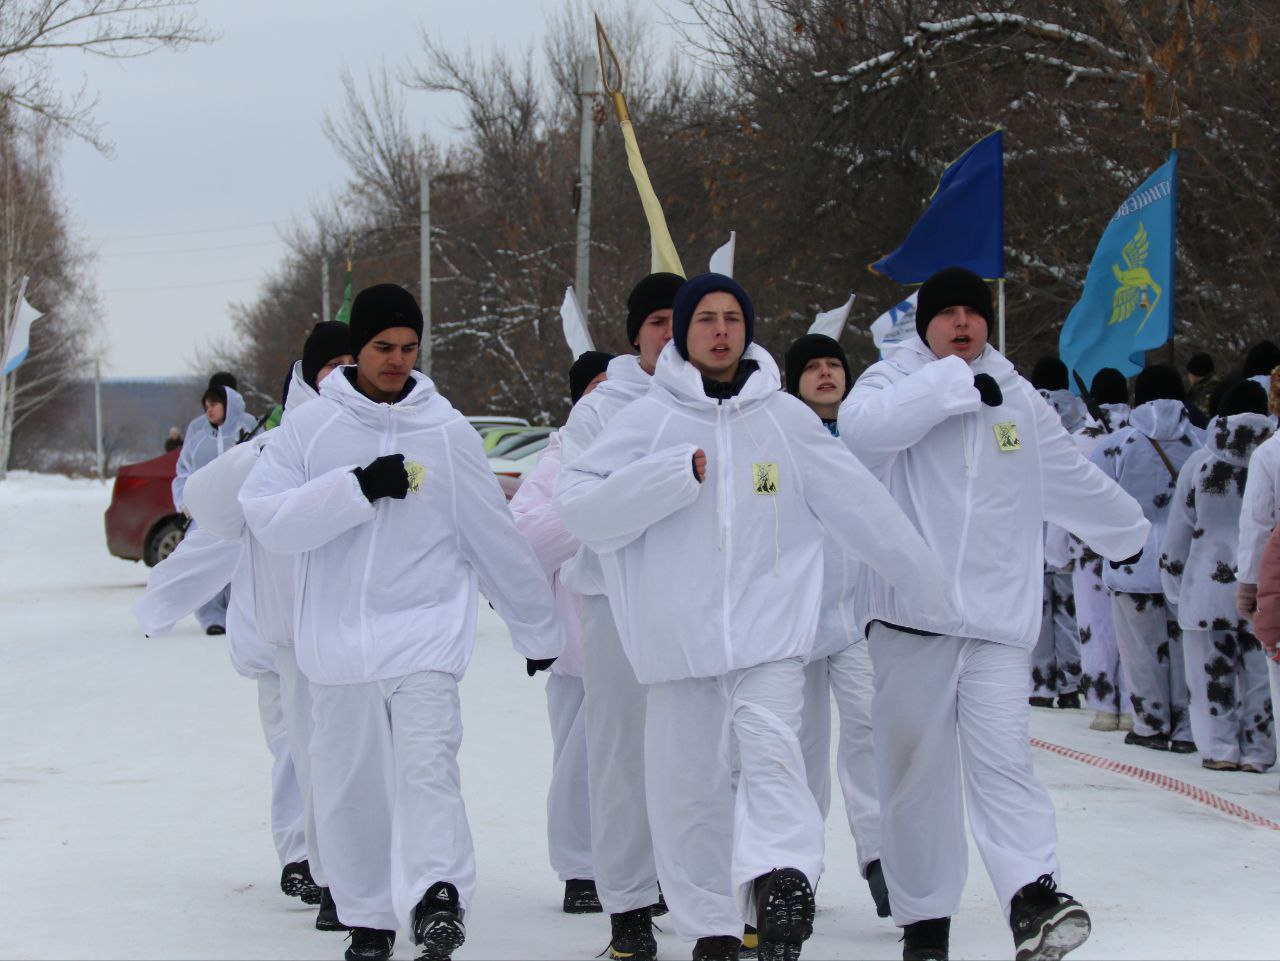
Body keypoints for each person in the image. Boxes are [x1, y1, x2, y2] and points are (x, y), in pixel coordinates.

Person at [558, 273, 955, 961]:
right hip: (678, 648)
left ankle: (783, 879)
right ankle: (712, 928)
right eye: (705, 318)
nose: (720, 330)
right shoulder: (648, 421)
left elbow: (862, 505)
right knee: (689, 795)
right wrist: (673, 475)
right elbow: (580, 507)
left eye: (732, 318)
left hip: (770, 639)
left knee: (774, 761)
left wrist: (929, 588)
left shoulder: (784, 418)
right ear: (684, 332)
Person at [240, 285, 562, 961]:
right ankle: (367, 916)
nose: (396, 359)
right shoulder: (310, 429)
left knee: (427, 766)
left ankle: (439, 892)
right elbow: (268, 517)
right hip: (337, 643)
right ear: (357, 348)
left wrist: (538, 628)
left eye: (409, 347)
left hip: (424, 633)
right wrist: (355, 489)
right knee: (350, 783)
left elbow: (492, 535)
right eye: (383, 347)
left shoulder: (445, 433)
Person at [838, 267, 1148, 961]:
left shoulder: (1019, 399)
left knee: (1005, 762)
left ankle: (1033, 895)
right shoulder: (893, 382)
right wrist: (946, 387)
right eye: (945, 314)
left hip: (998, 623)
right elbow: (861, 436)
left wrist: (1129, 533)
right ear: (925, 326)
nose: (960, 324)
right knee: (915, 775)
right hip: (912, 618)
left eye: (971, 313)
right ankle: (924, 920)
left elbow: (1067, 475)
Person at [183, 321, 355, 931]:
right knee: (297, 749)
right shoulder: (275, 441)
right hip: (283, 631)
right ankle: (308, 858)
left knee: (348, 754)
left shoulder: (378, 425)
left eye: (348, 361)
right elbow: (207, 508)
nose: (340, 374)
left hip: (352, 631)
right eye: (329, 364)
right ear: (308, 374)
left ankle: (345, 865)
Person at [555, 272, 683, 961]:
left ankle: (705, 894)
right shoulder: (600, 411)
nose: (669, 332)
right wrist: (668, 485)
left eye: (678, 319)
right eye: (657, 320)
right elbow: (589, 510)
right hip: (614, 602)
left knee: (704, 756)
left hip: (692, 602)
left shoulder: (712, 399)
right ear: (635, 333)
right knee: (621, 759)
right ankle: (629, 907)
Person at [782, 332, 889, 919]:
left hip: (856, 621)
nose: (826, 374)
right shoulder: (777, 437)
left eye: (834, 365)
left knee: (871, 734)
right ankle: (795, 872)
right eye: (813, 368)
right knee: (799, 752)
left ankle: (882, 862)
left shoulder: (870, 438)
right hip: (794, 625)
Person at [509, 349, 614, 915]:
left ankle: (642, 867)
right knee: (579, 762)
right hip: (577, 646)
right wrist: (594, 514)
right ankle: (579, 868)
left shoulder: (650, 446)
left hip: (648, 641)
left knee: (640, 762)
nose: (606, 397)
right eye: (594, 387)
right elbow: (521, 543)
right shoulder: (557, 462)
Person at [1160, 380, 1276, 772]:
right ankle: (1260, 748)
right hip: (1264, 579)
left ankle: (1220, 747)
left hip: (1206, 579)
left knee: (1211, 669)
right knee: (1261, 670)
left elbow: (1178, 529)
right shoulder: (1274, 455)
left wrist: (1173, 584)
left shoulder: (1201, 462)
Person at [1091, 364, 1203, 754]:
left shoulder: (1116, 444)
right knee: (1185, 647)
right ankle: (1188, 725)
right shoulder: (1201, 441)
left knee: (1140, 648)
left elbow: (1095, 500)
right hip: (1186, 562)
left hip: (1131, 559)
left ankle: (1150, 723)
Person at [1065, 368, 1135, 731]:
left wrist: (1055, 549)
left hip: (1088, 546)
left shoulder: (1081, 439)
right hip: (1132, 544)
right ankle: (1135, 702)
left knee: (1096, 625)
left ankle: (1106, 705)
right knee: (1131, 627)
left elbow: (1065, 497)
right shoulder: (1139, 433)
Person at [172, 373, 258, 635]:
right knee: (206, 563)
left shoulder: (250, 426)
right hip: (207, 514)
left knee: (242, 563)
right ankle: (211, 616)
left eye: (215, 403)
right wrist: (185, 504)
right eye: (207, 404)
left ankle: (240, 613)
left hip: (240, 511)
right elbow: (184, 471)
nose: (209, 409)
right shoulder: (198, 433)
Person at [1029, 356, 1087, 709]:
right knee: (1069, 612)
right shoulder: (1080, 416)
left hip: (1031, 526)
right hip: (1066, 523)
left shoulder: (1019, 410)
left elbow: (1004, 454)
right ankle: (1070, 684)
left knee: (1037, 611)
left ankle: (1039, 683)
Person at [1185, 352, 1216, 428]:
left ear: (1195, 373)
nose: (1188, 376)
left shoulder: (1204, 392)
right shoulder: (1217, 385)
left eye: (1189, 373)